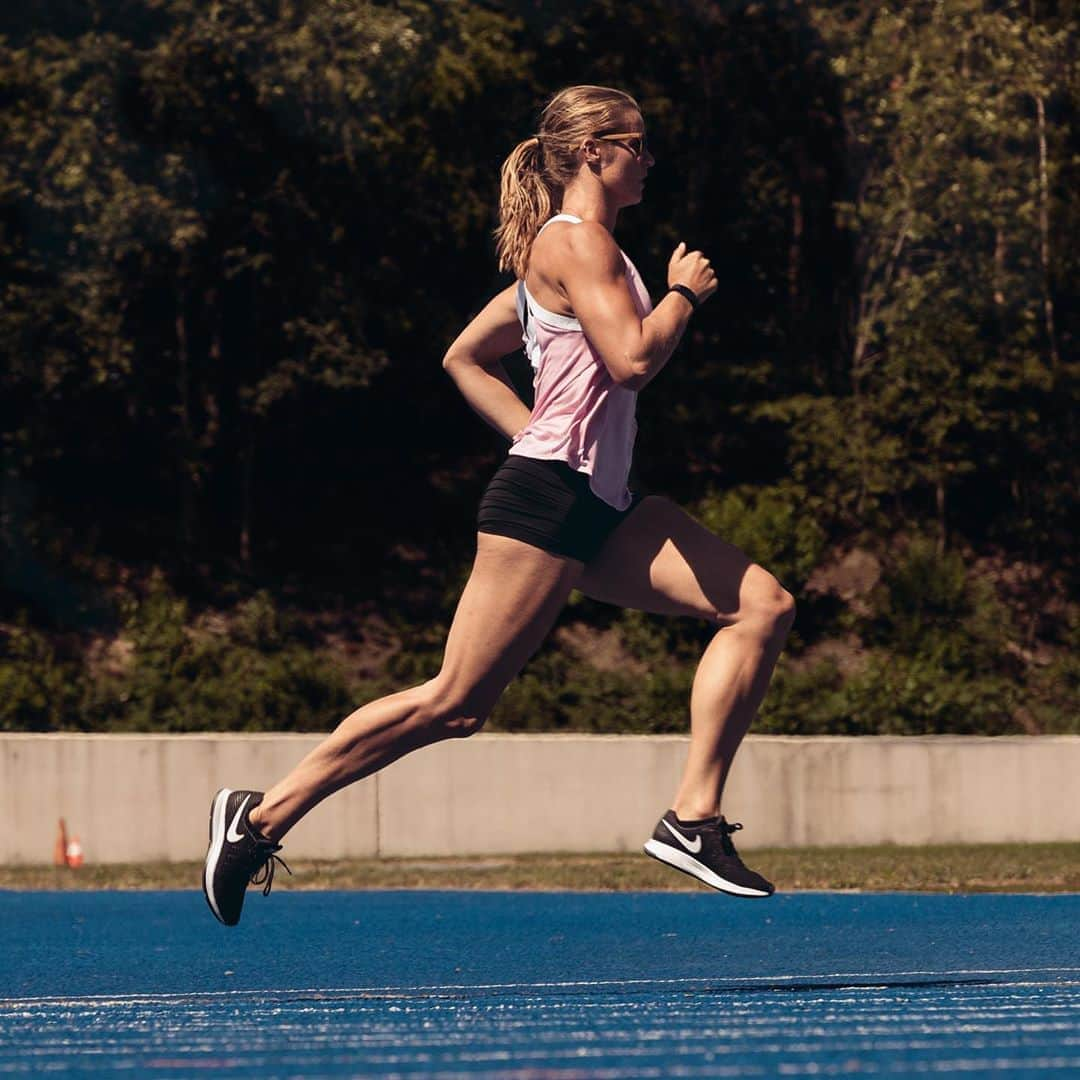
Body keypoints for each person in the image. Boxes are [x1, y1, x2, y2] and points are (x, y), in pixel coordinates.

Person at [202, 85, 795, 926]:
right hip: (548, 499)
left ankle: (692, 819)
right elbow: (630, 361)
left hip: (601, 501)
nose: (648, 160)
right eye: (638, 145)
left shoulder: (585, 254)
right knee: (457, 703)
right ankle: (258, 818)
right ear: (595, 151)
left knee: (762, 606)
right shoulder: (578, 245)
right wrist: (683, 296)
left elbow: (465, 355)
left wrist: (537, 432)